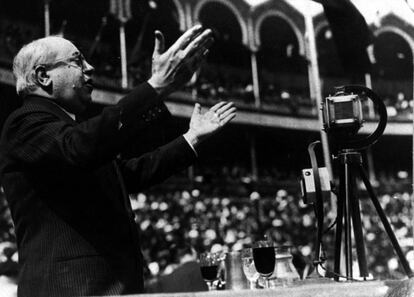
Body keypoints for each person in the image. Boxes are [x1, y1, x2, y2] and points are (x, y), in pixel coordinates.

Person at [0, 24, 236, 297]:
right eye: (77, 61)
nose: (90, 68)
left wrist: (191, 139)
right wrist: (155, 87)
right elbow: (82, 147)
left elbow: (128, 175)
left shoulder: (66, 133)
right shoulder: (25, 124)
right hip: (71, 290)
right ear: (43, 76)